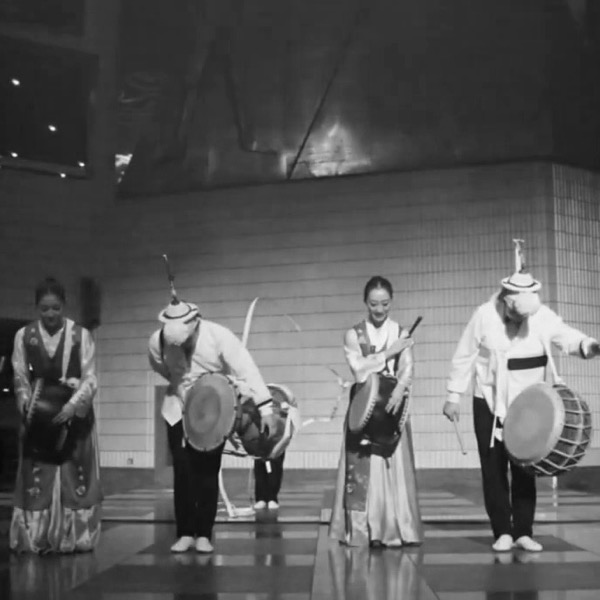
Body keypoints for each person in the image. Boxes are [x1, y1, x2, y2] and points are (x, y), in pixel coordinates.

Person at [443, 241, 600, 553]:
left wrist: (587, 345)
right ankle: (502, 530)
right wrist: (453, 395)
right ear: (506, 302)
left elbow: (565, 336)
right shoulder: (484, 315)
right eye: (515, 316)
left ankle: (523, 531)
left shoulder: (542, 316)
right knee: (493, 468)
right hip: (489, 400)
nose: (519, 322)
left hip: (529, 404)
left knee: (527, 466)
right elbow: (464, 354)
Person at [148, 294, 279, 554]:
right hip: (177, 408)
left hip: (213, 408)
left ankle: (204, 533)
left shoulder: (218, 335)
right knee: (183, 472)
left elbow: (245, 367)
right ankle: (185, 532)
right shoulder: (157, 341)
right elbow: (160, 366)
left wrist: (265, 407)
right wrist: (179, 383)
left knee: (207, 470)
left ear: (195, 323)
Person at [10, 277, 102, 554]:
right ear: (36, 308)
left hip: (74, 416)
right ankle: (36, 535)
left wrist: (73, 406)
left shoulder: (80, 335)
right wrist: (25, 401)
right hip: (39, 416)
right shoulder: (25, 336)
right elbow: (19, 374)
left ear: (64, 305)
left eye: (56, 308)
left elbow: (90, 377)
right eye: (44, 309)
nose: (50, 314)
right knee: (37, 475)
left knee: (75, 474)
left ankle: (75, 536)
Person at [329, 276, 423, 547]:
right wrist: (389, 353)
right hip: (364, 404)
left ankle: (395, 528)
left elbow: (407, 368)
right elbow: (359, 370)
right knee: (363, 465)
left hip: (392, 405)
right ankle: (363, 529)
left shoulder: (400, 332)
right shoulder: (354, 335)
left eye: (385, 304)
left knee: (393, 465)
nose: (379, 309)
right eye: (373, 304)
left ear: (391, 302)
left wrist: (400, 389)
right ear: (365, 303)